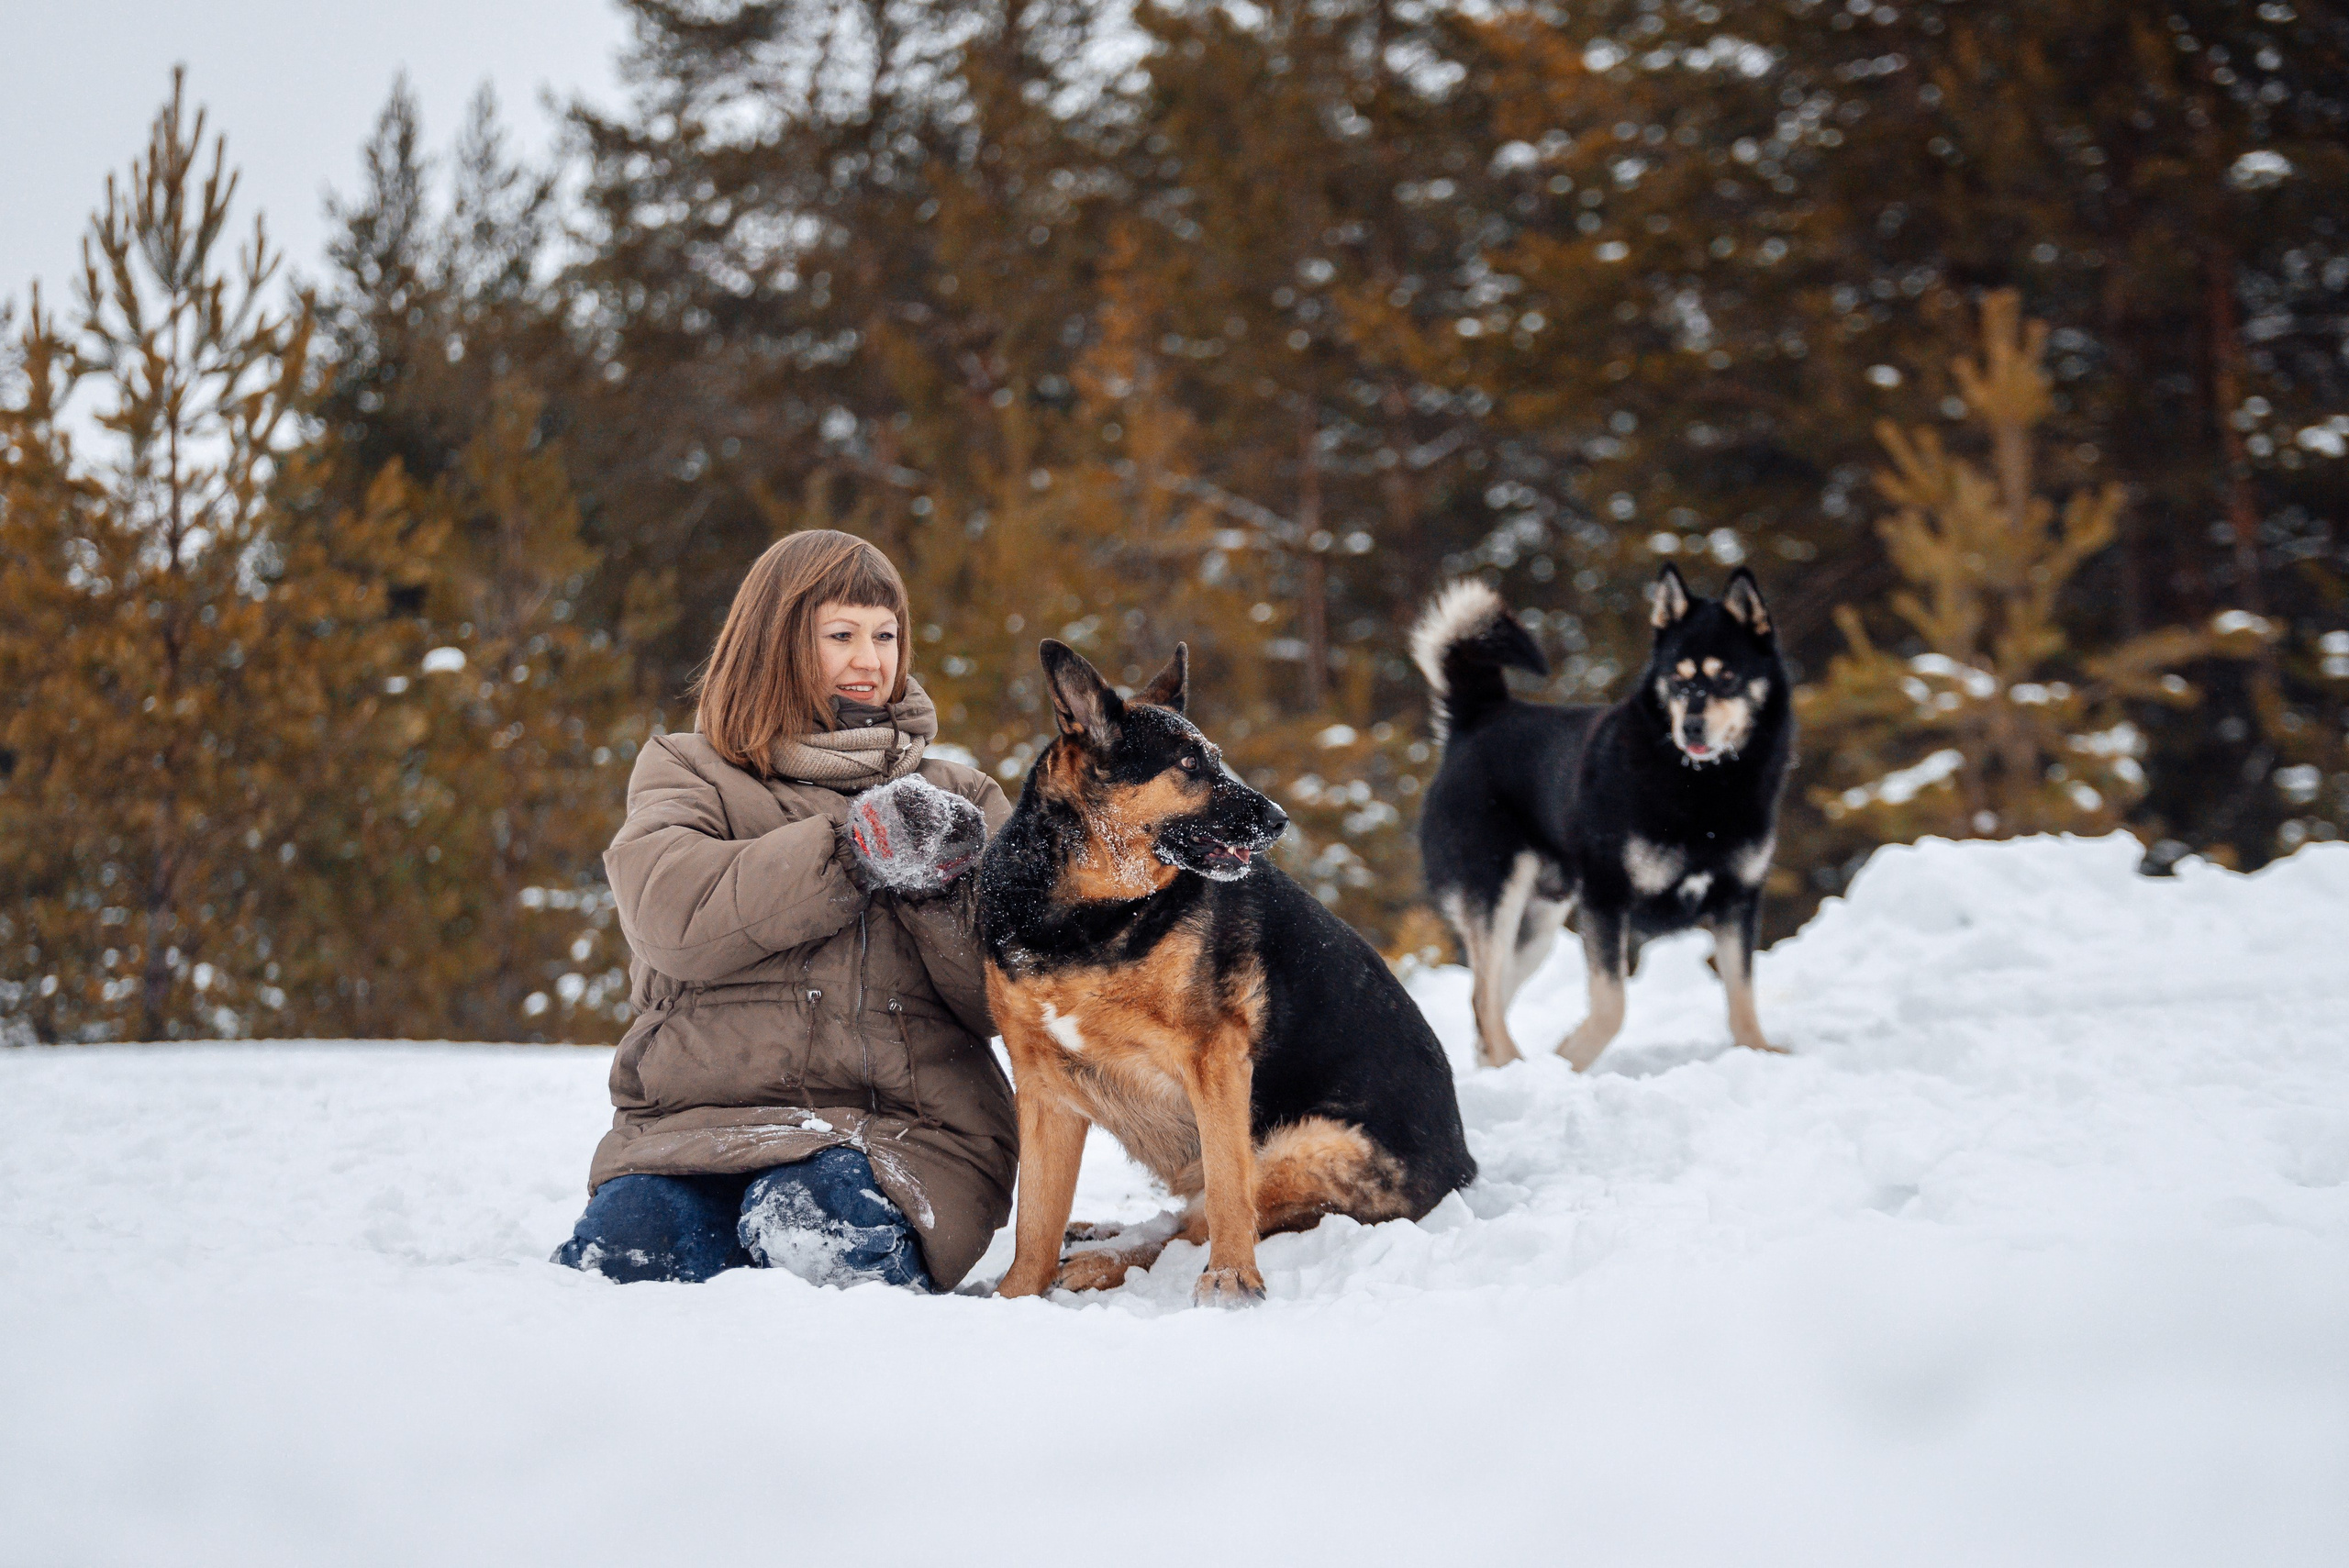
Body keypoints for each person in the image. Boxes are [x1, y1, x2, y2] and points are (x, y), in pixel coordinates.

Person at [552, 530, 1015, 1291]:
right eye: (841, 635)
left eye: (886, 635)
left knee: (818, 1223)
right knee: (629, 1252)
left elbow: (1010, 996)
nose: (870, 659)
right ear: (775, 643)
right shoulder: (686, 769)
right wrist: (849, 851)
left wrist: (937, 889)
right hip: (691, 1129)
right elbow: (673, 912)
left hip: (901, 1138)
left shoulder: (957, 799)